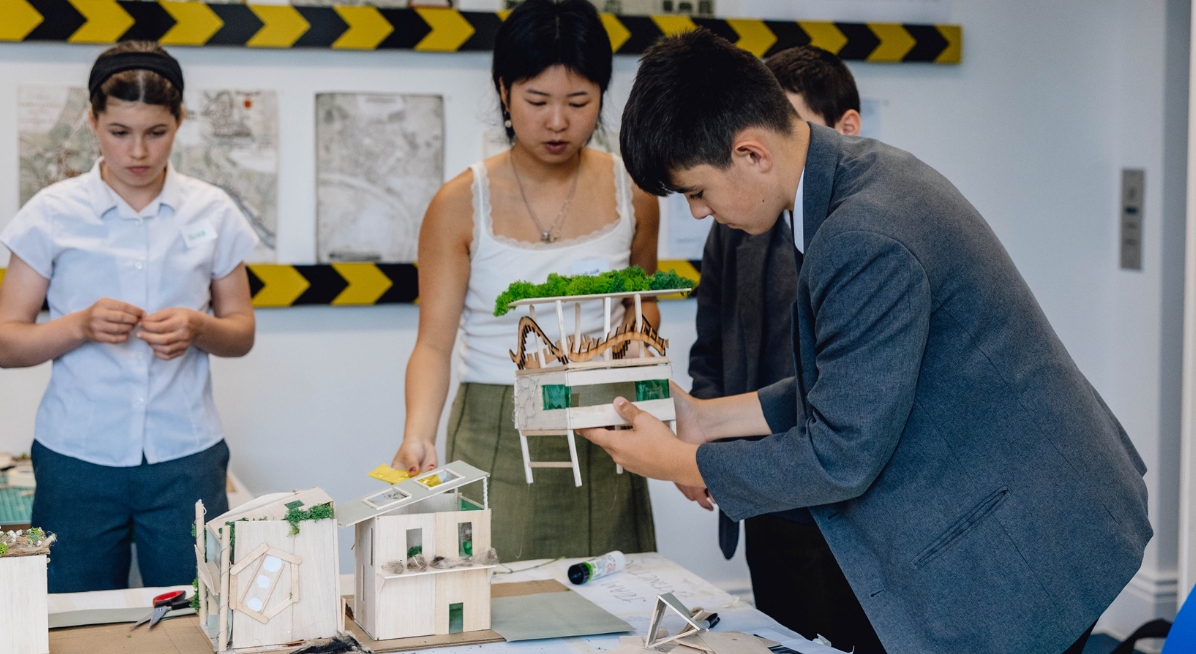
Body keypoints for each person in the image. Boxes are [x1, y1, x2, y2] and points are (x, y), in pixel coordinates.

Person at [582, 29, 1152, 654]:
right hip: (1022, 509)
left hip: (1023, 542)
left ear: (750, 153)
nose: (696, 213)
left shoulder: (865, 231)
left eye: (696, 191)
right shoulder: (852, 178)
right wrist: (704, 417)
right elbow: (853, 382)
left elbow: (840, 452)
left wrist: (676, 461)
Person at [391, 0, 660, 561]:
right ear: (504, 90)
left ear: (603, 96)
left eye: (579, 102)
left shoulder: (633, 192)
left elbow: (643, 311)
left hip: (604, 422)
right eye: (537, 101)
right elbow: (434, 344)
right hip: (498, 423)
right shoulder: (460, 204)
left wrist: (656, 410)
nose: (558, 121)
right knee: (496, 605)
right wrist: (419, 432)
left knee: (614, 602)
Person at [0, 42, 258, 592]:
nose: (138, 151)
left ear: (180, 121)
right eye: (119, 132)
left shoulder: (212, 210)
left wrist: (199, 327)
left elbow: (241, 332)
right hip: (76, 457)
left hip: (186, 454)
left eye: (156, 132)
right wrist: (79, 325)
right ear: (92, 120)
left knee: (200, 612)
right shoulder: (50, 213)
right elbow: (5, 341)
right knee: (73, 616)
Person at [686, 45, 881, 651]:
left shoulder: (861, 235)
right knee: (780, 634)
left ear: (843, 129)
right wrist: (703, 430)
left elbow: (848, 409)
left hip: (843, 499)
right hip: (761, 488)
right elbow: (710, 346)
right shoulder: (733, 228)